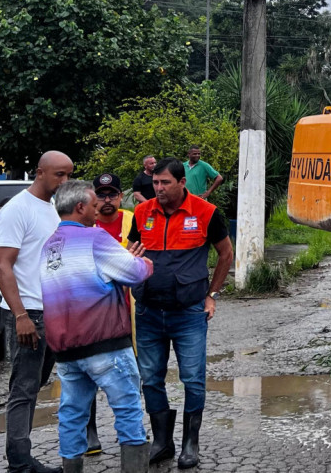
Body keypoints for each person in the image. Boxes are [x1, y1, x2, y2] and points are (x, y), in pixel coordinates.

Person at [40, 180, 153, 473]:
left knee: (71, 414)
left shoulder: (49, 245)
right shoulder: (95, 238)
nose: (97, 210)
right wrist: (140, 261)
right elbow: (135, 273)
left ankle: (71, 468)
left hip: (66, 350)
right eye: (93, 205)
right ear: (80, 207)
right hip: (105, 345)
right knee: (127, 410)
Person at [129, 158, 233, 468]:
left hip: (189, 313)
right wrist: (130, 261)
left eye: (165, 183)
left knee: (192, 379)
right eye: (155, 183)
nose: (158, 188)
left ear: (182, 182)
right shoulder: (142, 213)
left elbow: (226, 253)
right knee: (150, 378)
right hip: (148, 311)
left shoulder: (206, 212)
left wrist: (212, 295)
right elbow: (131, 253)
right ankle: (162, 441)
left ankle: (191, 443)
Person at [0, 151, 73, 473]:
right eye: (59, 174)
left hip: (52, 313)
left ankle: (22, 459)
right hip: (29, 314)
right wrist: (20, 316)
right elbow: (3, 266)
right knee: (23, 389)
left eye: (69, 174)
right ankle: (19, 463)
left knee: (33, 385)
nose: (65, 181)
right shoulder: (17, 209)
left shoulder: (53, 209)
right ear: (40, 172)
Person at [82, 172, 135, 456]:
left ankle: (131, 431)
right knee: (88, 375)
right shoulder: (83, 225)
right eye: (101, 195)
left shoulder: (133, 222)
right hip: (91, 314)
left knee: (129, 374)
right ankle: (89, 431)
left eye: (112, 195)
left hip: (128, 313)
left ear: (121, 196)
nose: (106, 201)